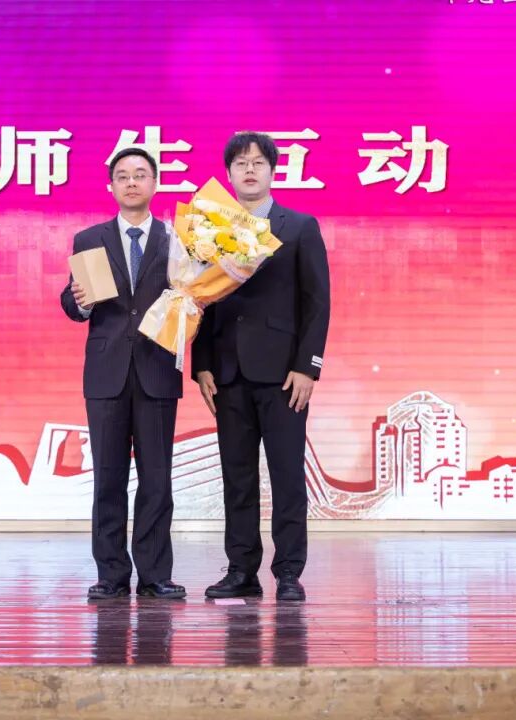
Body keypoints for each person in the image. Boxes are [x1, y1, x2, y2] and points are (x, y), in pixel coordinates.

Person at [191, 132, 330, 602]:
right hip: (228, 373)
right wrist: (203, 365)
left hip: (284, 376)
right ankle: (241, 570)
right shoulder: (208, 230)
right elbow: (201, 299)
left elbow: (317, 303)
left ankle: (289, 572)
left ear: (272, 171)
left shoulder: (300, 227)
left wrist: (308, 368)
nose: (249, 170)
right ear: (228, 174)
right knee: (237, 477)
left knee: (287, 476)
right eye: (240, 163)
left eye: (257, 163)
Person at [60, 148, 185, 600]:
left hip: (157, 368)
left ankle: (155, 574)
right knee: (108, 478)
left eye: (140, 175)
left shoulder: (178, 241)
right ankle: (111, 574)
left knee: (157, 478)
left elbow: (191, 297)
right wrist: (80, 302)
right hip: (106, 372)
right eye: (123, 176)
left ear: (155, 184)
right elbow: (71, 302)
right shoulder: (89, 239)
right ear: (111, 186)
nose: (132, 182)